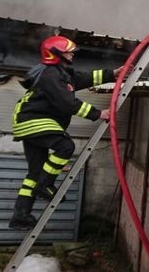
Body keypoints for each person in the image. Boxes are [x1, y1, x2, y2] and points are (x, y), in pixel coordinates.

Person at [9, 35, 122, 229]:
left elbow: (84, 78)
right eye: (68, 51)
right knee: (65, 146)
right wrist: (98, 113)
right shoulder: (51, 75)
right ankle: (45, 185)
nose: (72, 54)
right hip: (33, 120)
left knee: (34, 173)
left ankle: (20, 215)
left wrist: (112, 74)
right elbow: (67, 102)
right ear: (56, 54)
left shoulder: (62, 73)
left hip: (28, 122)